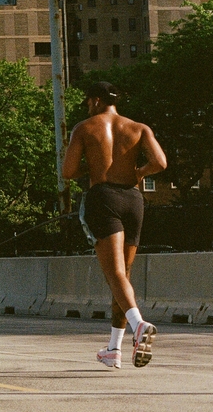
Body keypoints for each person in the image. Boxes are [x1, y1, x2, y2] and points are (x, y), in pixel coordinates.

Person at [62, 81, 168, 369]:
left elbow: (68, 171)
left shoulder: (85, 128)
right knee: (124, 277)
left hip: (104, 197)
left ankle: (139, 326)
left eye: (87, 102)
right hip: (134, 200)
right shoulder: (139, 127)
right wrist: (138, 171)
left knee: (115, 274)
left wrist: (94, 165)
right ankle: (113, 348)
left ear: (95, 101)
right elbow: (160, 162)